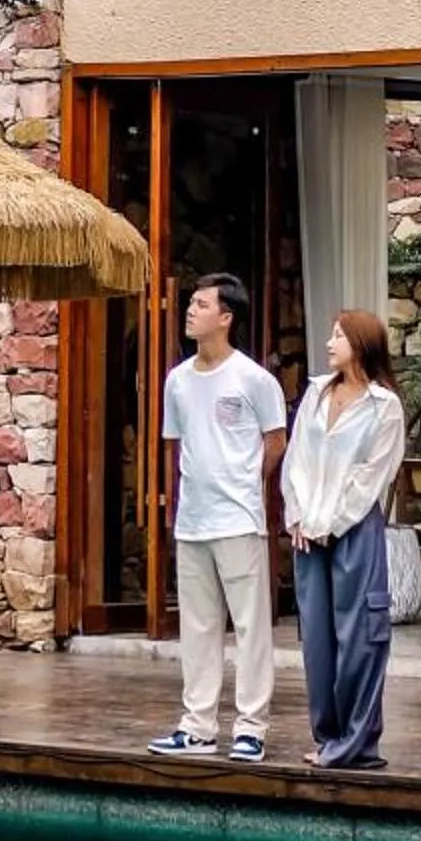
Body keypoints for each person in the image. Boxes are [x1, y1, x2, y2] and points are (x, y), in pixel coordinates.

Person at [149, 275, 288, 764]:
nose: (190, 311)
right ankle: (198, 725)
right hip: (193, 520)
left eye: (200, 304)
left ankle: (251, 727)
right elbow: (177, 445)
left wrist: (249, 480)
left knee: (250, 627)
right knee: (198, 626)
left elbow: (276, 441)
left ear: (225, 317)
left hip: (238, 519)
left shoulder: (254, 379)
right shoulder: (178, 379)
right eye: (190, 303)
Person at [282, 309, 408, 770]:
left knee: (360, 636)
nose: (330, 341)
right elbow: (296, 460)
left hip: (353, 531)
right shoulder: (315, 392)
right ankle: (328, 736)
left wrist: (329, 523)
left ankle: (356, 743)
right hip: (306, 534)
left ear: (362, 344)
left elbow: (373, 476)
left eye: (339, 335)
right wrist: (296, 516)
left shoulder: (384, 406)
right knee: (317, 637)